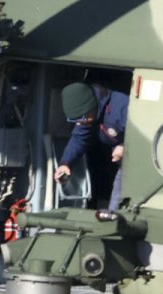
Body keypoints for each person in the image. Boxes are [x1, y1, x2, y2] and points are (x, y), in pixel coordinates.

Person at [54, 81, 129, 210]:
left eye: (82, 119)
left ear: (91, 107)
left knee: (118, 207)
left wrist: (125, 146)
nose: (80, 124)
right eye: (75, 121)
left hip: (138, 164)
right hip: (122, 162)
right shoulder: (85, 120)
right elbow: (79, 138)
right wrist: (65, 162)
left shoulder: (122, 105)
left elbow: (148, 133)